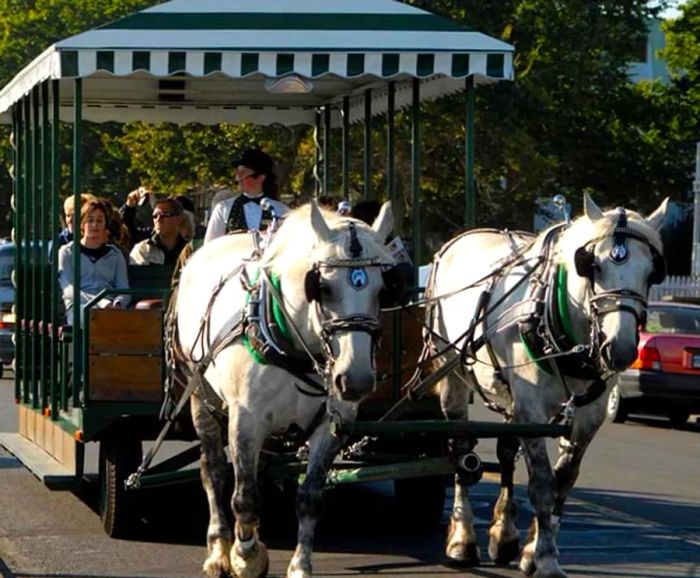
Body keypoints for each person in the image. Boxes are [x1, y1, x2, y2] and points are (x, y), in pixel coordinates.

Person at [58, 199, 130, 325]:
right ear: (82, 224)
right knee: (90, 318)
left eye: (99, 221)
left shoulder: (116, 255)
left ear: (105, 225)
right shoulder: (67, 252)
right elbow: (69, 289)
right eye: (90, 220)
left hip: (111, 309)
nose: (94, 225)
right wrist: (101, 303)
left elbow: (123, 288)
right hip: (79, 307)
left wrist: (118, 304)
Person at [204, 149, 288, 243]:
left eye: (242, 172)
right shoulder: (223, 208)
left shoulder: (280, 210)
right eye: (237, 172)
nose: (237, 177)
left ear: (260, 177)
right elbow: (209, 246)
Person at [129, 198, 189, 266]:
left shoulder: (189, 250)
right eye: (155, 216)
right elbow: (138, 275)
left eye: (164, 215)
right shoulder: (142, 250)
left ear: (179, 219)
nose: (158, 219)